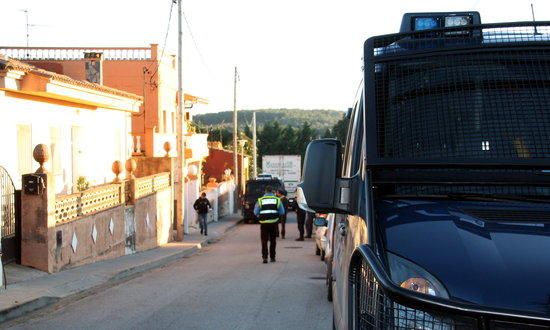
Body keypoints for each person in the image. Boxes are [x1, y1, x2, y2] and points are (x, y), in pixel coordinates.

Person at [254, 186, 285, 263]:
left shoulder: (260, 200)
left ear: (265, 191)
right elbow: (282, 212)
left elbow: (255, 212)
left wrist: (260, 215)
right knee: (273, 240)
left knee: (264, 241)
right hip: (274, 223)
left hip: (264, 223)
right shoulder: (277, 200)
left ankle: (265, 257)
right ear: (273, 191)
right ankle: (272, 257)